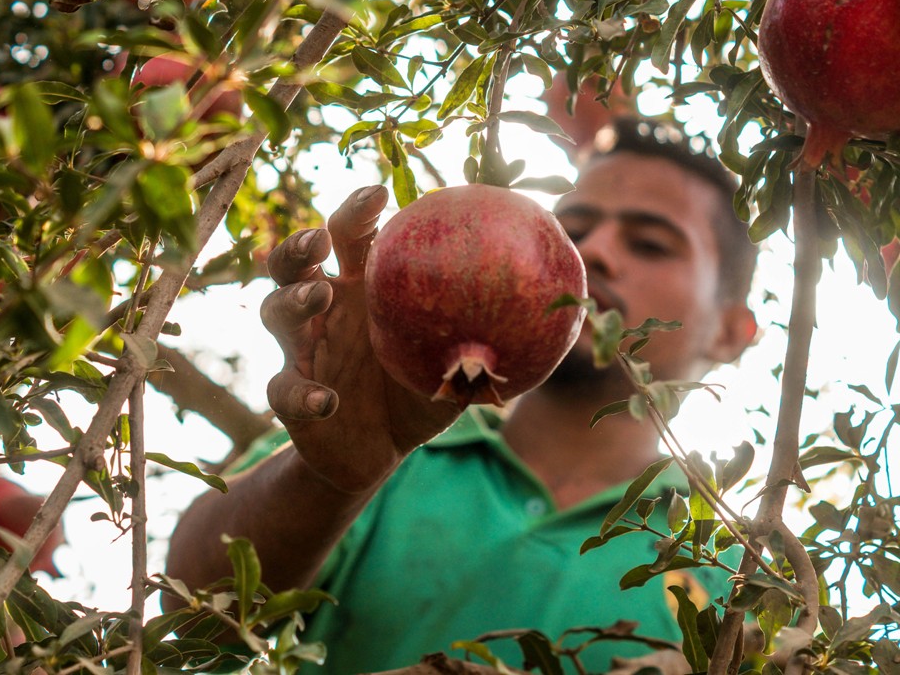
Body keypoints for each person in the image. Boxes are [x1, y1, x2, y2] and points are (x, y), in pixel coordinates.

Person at [164, 119, 761, 673]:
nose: (594, 252)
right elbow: (191, 615)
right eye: (572, 231)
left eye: (650, 243)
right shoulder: (376, 437)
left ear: (732, 331)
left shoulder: (735, 579)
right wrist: (329, 480)